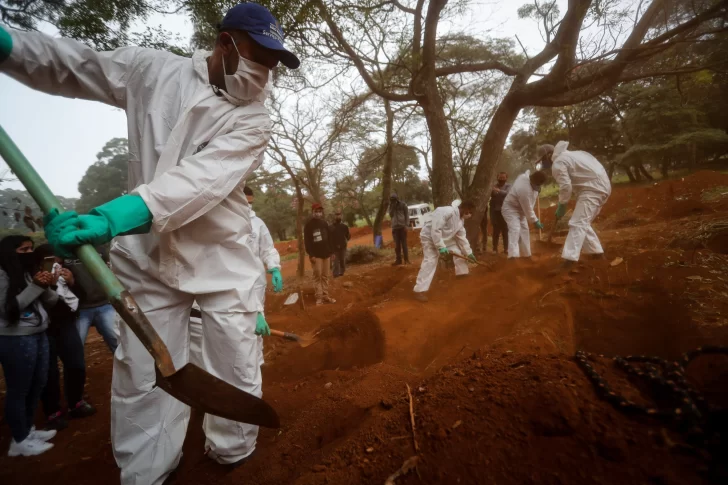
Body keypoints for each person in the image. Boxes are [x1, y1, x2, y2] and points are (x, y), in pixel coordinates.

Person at [2, 3, 300, 482]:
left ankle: (233, 454)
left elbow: (199, 183)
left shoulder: (255, 121)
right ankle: (147, 471)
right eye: (257, 56)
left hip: (221, 257)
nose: (264, 73)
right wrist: (11, 47)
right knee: (143, 375)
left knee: (234, 365)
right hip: (147, 260)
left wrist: (113, 216)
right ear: (225, 43)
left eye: (272, 63)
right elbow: (79, 65)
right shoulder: (152, 70)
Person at [0, 236, 58, 456]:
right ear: (9, 252)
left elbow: (52, 301)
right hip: (15, 338)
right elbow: (8, 310)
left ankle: (27, 429)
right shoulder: (2, 275)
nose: (29, 253)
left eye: (31, 248)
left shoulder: (25, 273)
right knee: (19, 389)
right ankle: (19, 440)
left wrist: (45, 285)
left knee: (37, 383)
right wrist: (35, 286)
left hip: (38, 333)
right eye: (23, 250)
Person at [34, 245, 96, 431]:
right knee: (49, 371)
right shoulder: (34, 279)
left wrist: (72, 282)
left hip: (66, 325)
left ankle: (75, 402)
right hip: (45, 329)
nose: (57, 266)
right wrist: (49, 284)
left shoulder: (65, 277)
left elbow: (82, 298)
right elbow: (48, 304)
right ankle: (52, 412)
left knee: (76, 363)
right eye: (51, 262)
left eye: (59, 262)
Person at [537, 142, 612, 267]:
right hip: (601, 187)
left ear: (548, 155)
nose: (544, 164)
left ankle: (569, 260)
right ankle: (597, 253)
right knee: (583, 222)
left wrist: (562, 205)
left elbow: (566, 187)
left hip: (592, 189)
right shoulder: (574, 154)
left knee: (577, 223)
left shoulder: (558, 163)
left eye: (542, 160)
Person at [413, 202, 477, 301]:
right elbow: (436, 229)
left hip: (444, 239)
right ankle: (419, 290)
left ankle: (462, 274)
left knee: (459, 251)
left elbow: (461, 238)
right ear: (465, 208)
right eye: (470, 212)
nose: (470, 214)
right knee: (430, 261)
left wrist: (469, 253)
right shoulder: (446, 211)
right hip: (429, 237)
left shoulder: (460, 221)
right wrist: (440, 246)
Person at [63, 246, 118, 353]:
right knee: (76, 347)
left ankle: (127, 368)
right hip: (78, 309)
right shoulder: (63, 251)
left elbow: (111, 267)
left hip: (104, 303)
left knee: (116, 340)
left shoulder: (100, 247)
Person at [501, 171, 547, 259]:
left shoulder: (523, 177)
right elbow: (528, 209)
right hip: (510, 209)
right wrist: (535, 221)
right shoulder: (524, 190)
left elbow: (527, 208)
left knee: (524, 230)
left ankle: (526, 255)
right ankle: (513, 256)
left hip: (521, 210)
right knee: (515, 229)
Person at [304, 203, 335, 305]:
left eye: (320, 211)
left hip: (326, 254)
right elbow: (307, 242)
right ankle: (319, 298)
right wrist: (311, 254)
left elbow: (330, 238)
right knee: (317, 276)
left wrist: (332, 252)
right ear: (312, 212)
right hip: (316, 256)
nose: (318, 213)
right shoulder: (308, 226)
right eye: (316, 211)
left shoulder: (324, 223)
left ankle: (325, 296)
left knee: (325, 276)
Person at [490, 172, 511, 253]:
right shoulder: (494, 186)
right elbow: (493, 194)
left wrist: (498, 191)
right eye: (500, 177)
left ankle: (506, 248)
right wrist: (499, 192)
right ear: (497, 178)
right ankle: (495, 248)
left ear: (506, 178)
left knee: (505, 231)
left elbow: (508, 194)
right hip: (495, 212)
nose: (501, 179)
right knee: (496, 231)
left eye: (503, 178)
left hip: (506, 212)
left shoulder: (509, 186)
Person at [388, 193, 410, 265]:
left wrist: (406, 225)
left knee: (404, 244)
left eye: (394, 200)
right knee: (397, 246)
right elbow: (391, 215)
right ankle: (398, 260)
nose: (393, 201)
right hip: (395, 228)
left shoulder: (403, 205)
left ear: (397, 199)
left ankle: (406, 260)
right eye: (392, 200)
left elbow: (407, 215)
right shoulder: (391, 206)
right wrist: (393, 207)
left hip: (402, 227)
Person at [329, 211, 350, 277]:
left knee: (342, 260)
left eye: (339, 215)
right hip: (334, 248)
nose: (338, 216)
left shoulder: (345, 226)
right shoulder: (330, 227)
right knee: (335, 262)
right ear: (334, 217)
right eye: (336, 215)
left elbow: (348, 236)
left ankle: (342, 272)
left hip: (343, 247)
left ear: (341, 216)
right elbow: (329, 238)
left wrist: (344, 241)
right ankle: (335, 274)